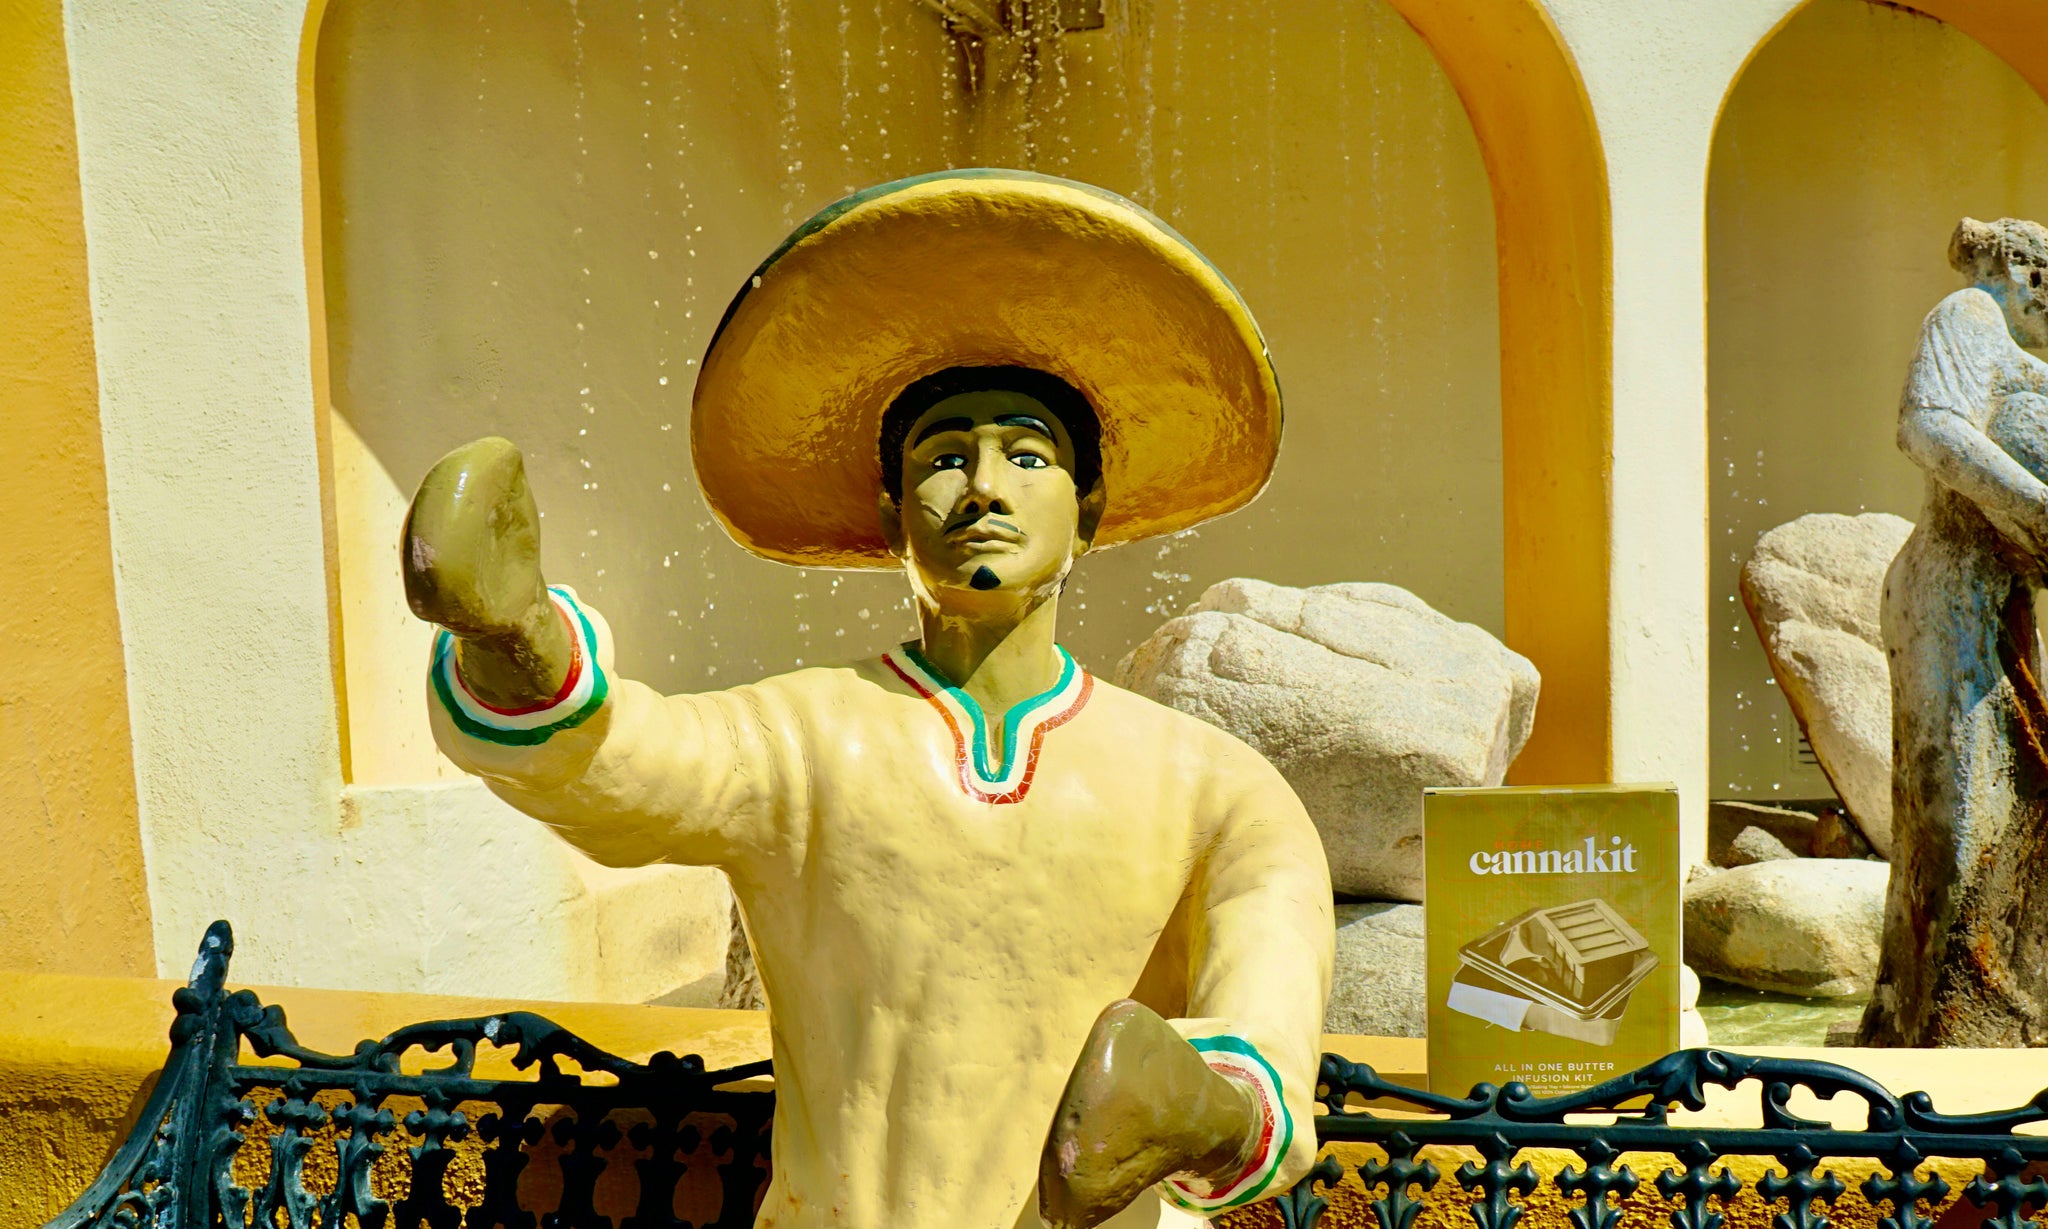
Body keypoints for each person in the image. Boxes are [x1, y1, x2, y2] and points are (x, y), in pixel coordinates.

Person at [401, 170, 1334, 1228]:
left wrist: (1196, 1104)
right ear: (893, 517)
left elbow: (1266, 1038)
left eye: (1027, 454)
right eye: (946, 456)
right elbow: (628, 763)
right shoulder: (805, 738)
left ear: (1087, 511)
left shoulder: (1216, 792)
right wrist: (517, 638)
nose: (984, 487)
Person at [1863, 216, 2048, 1046]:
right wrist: (2039, 508)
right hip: (1950, 596)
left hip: (1992, 596)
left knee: (2008, 800)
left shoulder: (2001, 342)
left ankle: (1959, 1014)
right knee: (1962, 816)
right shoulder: (1967, 313)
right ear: (2025, 272)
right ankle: (1948, 1027)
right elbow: (1930, 424)